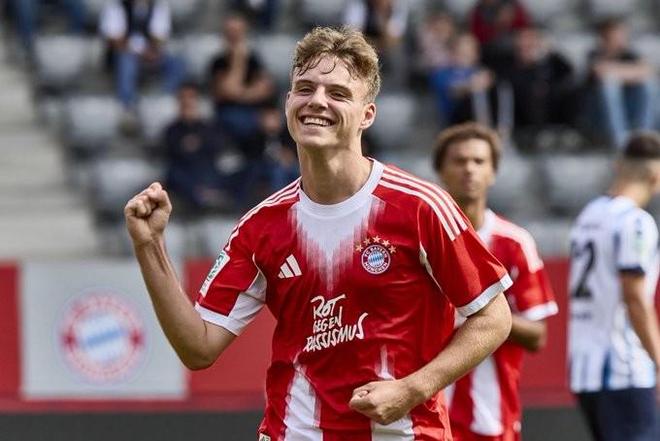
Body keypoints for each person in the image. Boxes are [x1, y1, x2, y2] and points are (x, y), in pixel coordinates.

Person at [125, 27, 513, 439]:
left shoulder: (421, 207)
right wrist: (150, 246)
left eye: (338, 93)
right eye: (305, 88)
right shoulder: (260, 226)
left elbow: (493, 317)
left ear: (367, 115)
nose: (317, 101)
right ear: (288, 102)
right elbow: (198, 347)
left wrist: (413, 388)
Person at [433, 122, 558, 441]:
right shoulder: (422, 240)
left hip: (490, 417)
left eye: (479, 161)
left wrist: (480, 313)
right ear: (441, 171)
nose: (469, 169)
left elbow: (537, 335)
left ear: (492, 172)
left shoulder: (514, 243)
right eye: (459, 161)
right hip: (426, 413)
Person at [568, 132, 660, 441]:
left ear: (618, 166)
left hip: (584, 367)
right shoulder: (636, 222)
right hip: (623, 367)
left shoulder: (588, 215)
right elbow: (634, 296)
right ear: (655, 176)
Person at [162, 82, 237, 213]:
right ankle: (202, 197)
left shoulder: (208, 127)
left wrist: (196, 143)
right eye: (183, 97)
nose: (187, 101)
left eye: (191, 97)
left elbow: (217, 147)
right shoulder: (172, 129)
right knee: (174, 175)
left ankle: (210, 196)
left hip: (206, 170)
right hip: (183, 172)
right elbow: (173, 151)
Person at [99, 0, 184, 112]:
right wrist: (138, 52)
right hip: (123, 56)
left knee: (177, 63)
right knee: (126, 61)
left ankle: (163, 99)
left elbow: (160, 38)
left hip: (149, 56)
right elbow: (114, 40)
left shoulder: (158, 7)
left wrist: (151, 51)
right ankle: (128, 105)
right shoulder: (116, 7)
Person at [586, 17, 656, 149]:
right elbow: (601, 73)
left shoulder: (630, 54)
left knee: (649, 85)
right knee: (609, 86)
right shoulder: (594, 54)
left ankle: (643, 136)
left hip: (628, 108)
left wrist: (616, 72)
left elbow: (649, 71)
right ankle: (620, 142)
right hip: (598, 115)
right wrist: (631, 74)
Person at [209, 12, 275, 150]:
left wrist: (240, 94)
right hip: (228, 113)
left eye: (238, 31)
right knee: (244, 123)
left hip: (254, 111)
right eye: (230, 31)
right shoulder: (218, 62)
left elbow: (264, 90)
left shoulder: (254, 60)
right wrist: (238, 60)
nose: (234, 35)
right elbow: (227, 91)